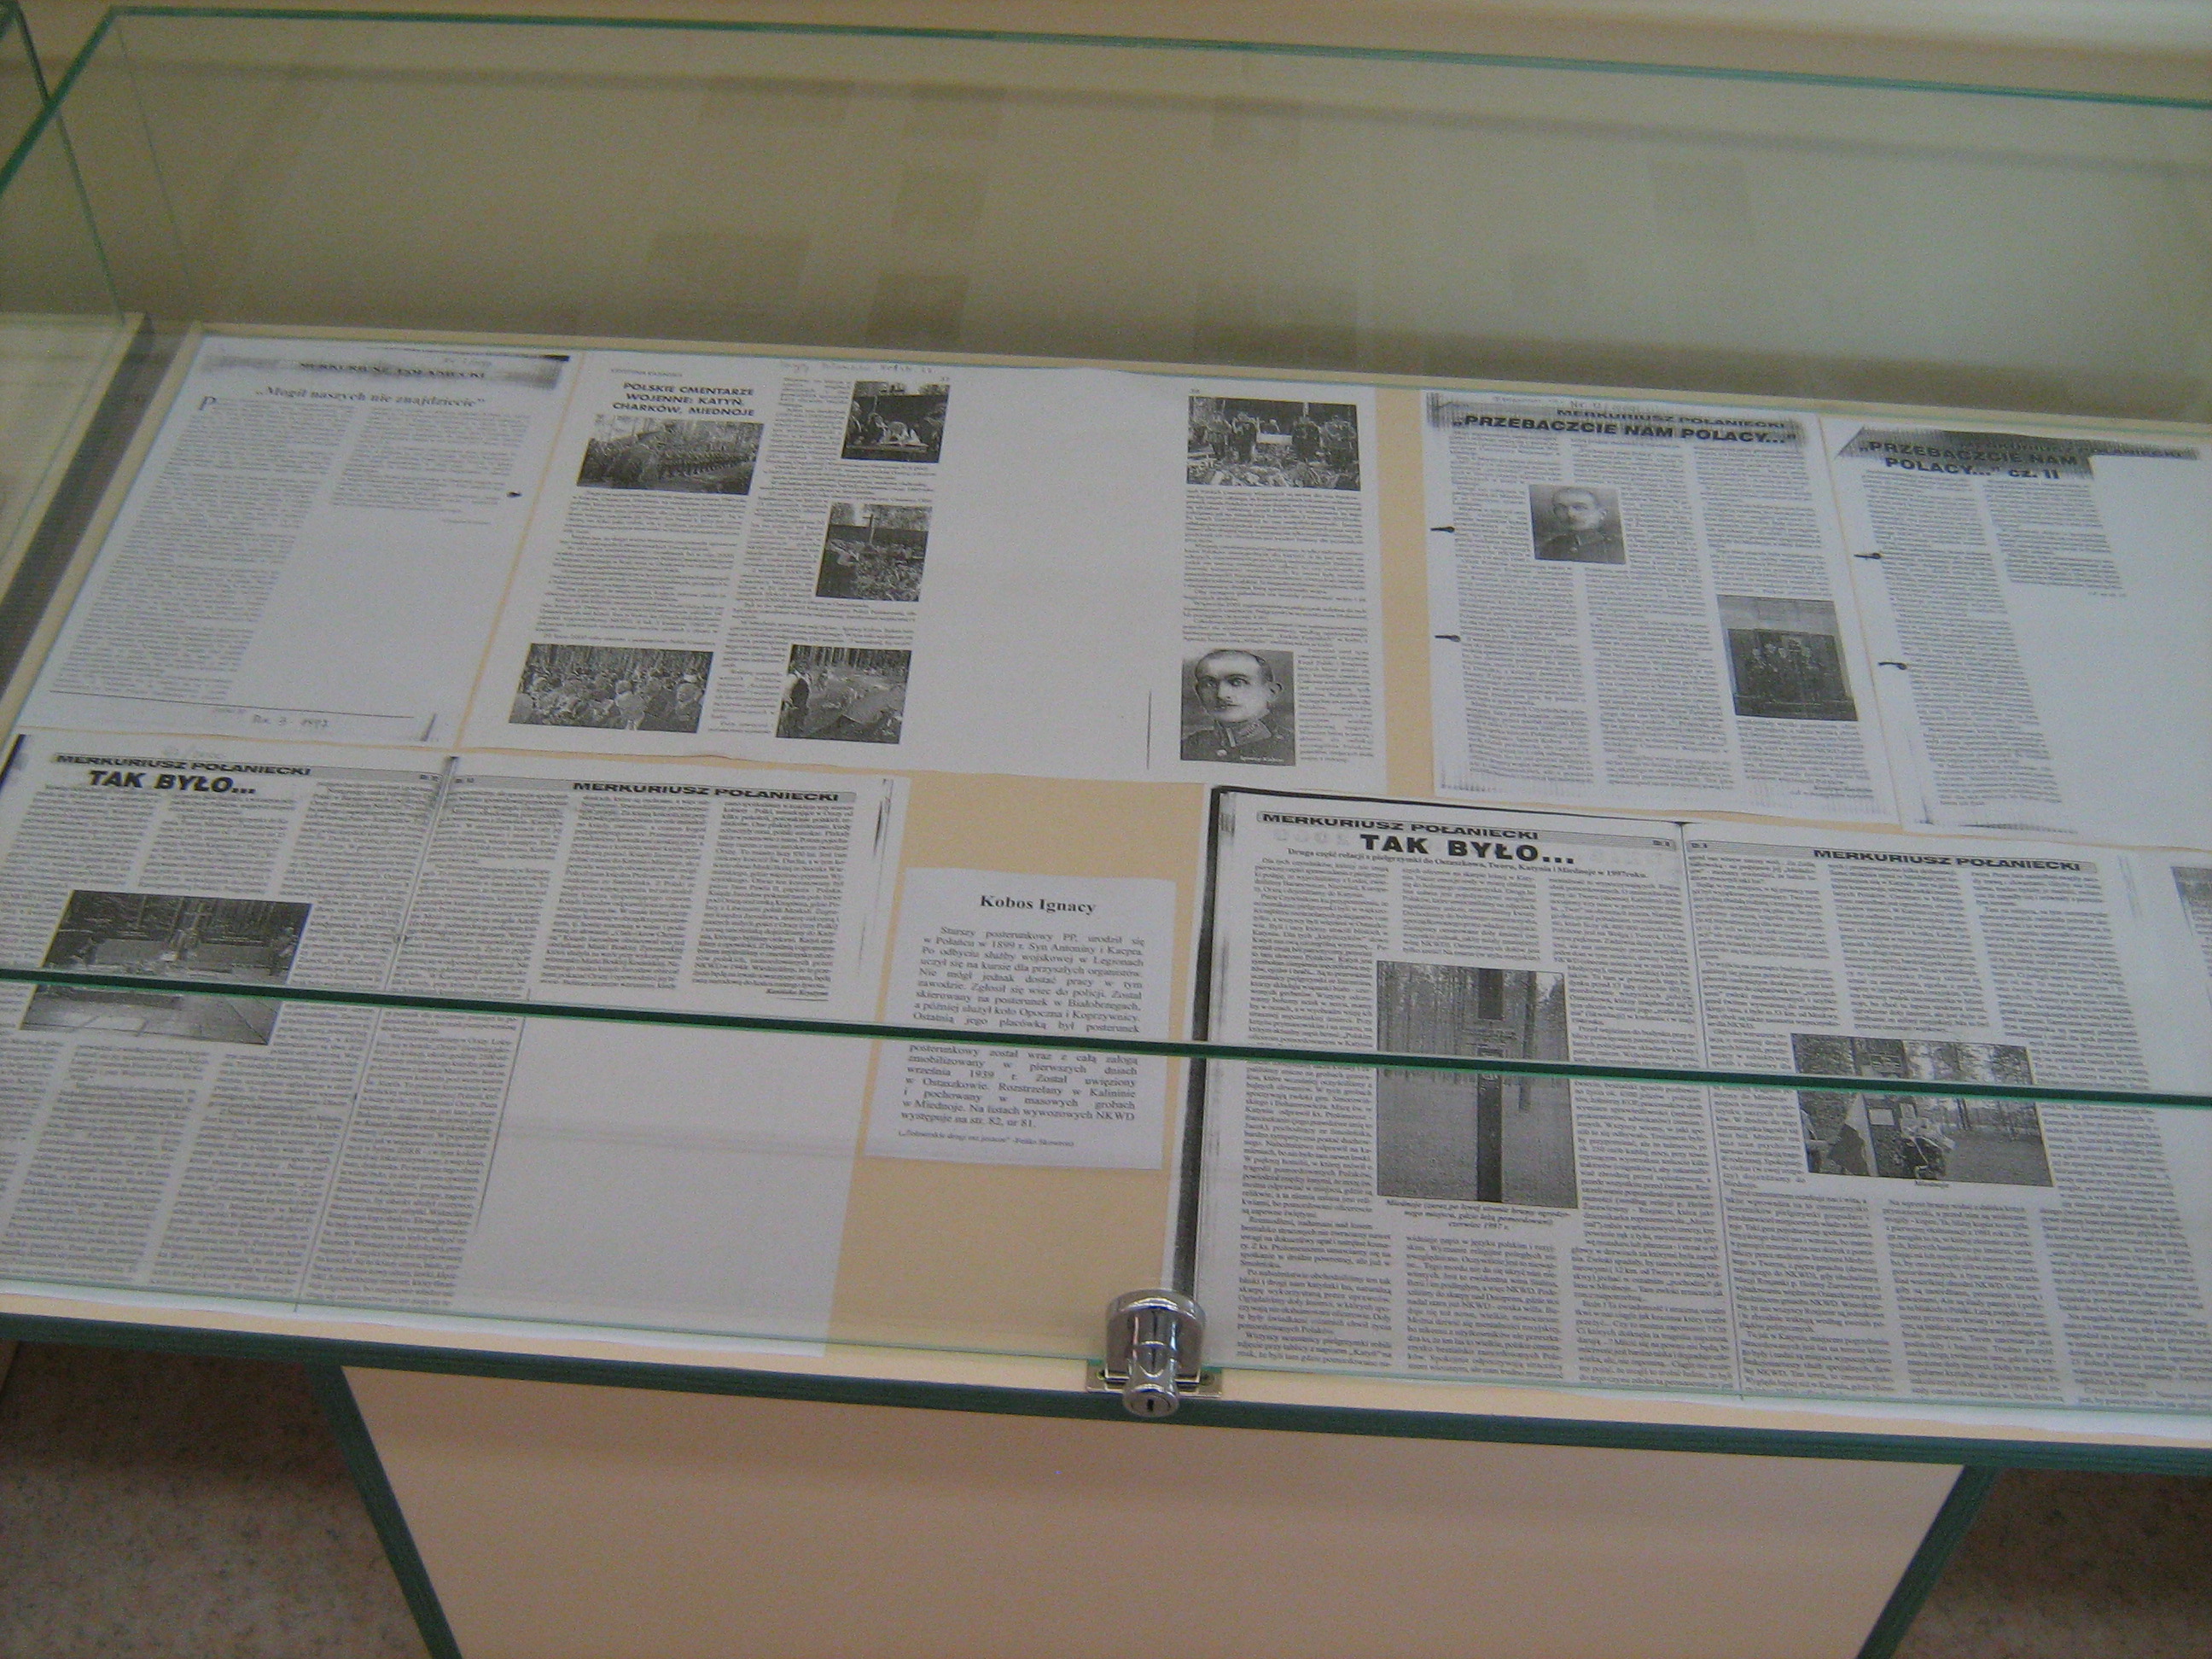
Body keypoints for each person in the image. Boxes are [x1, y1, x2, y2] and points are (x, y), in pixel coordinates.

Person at [1181, 649, 1295, 764]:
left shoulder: (1291, 748)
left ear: (1271, 692)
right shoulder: (1191, 746)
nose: (1221, 695)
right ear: (1198, 692)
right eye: (1209, 684)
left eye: (1237, 682)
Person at [1534, 485, 1623, 563]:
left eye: (1580, 507)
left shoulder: (1617, 547)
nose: (1570, 514)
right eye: (1561, 508)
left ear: (1601, 514)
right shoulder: (1552, 546)